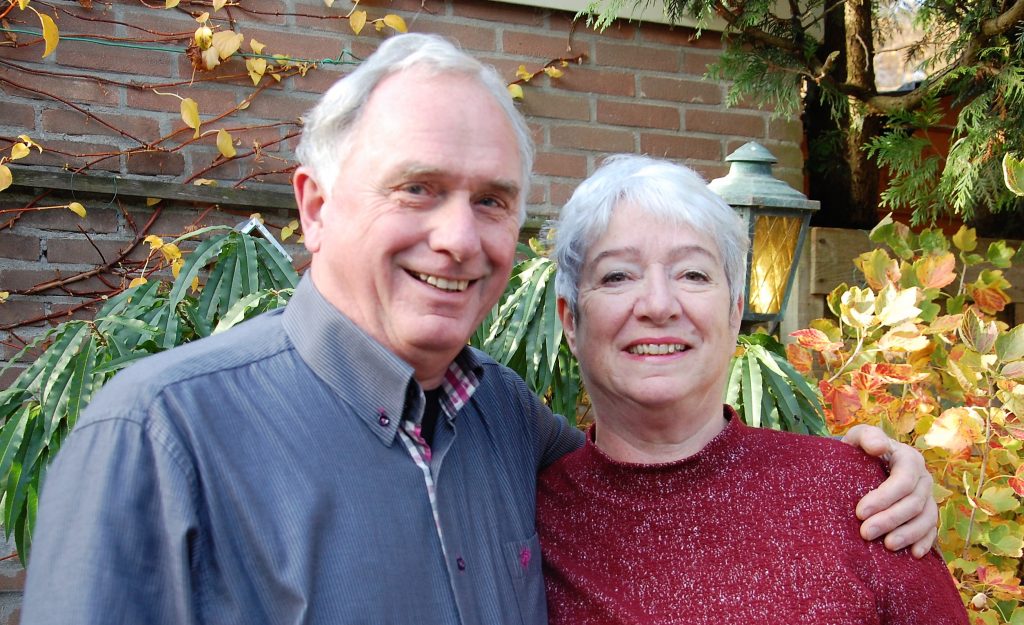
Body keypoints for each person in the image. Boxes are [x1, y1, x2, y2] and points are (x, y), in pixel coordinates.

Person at [23, 34, 936, 625]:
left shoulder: (500, 420)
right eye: (417, 187)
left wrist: (884, 471)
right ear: (316, 206)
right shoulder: (162, 436)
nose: (457, 239)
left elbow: (660, 478)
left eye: (492, 200)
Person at [537, 154, 968, 624]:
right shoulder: (529, 518)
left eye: (693, 274)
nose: (658, 305)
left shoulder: (860, 498)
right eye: (617, 276)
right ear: (571, 321)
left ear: (734, 312)